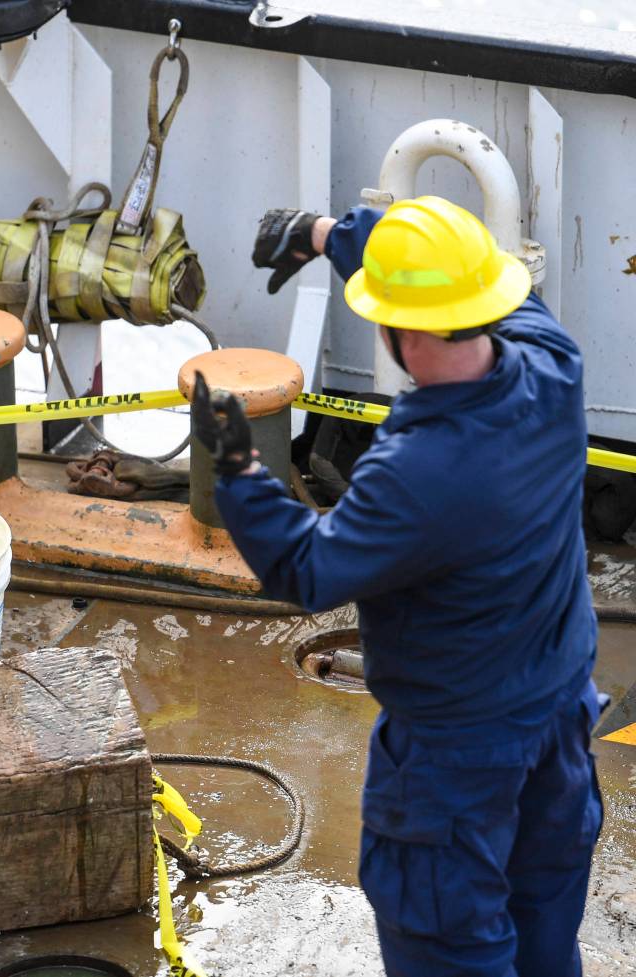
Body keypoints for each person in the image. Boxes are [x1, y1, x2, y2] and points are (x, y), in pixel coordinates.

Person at [191, 196, 603, 977]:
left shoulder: (415, 475)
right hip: (555, 726)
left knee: (448, 945)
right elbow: (459, 281)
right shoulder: (555, 366)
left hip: (456, 763)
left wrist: (238, 468)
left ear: (399, 335)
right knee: (544, 930)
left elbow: (307, 568)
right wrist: (327, 235)